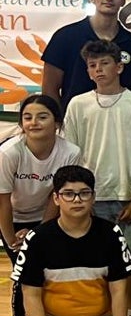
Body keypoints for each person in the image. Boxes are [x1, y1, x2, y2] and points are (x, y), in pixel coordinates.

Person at [62, 40, 131, 316]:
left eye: (104, 63)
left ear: (119, 66)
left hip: (128, 197)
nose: (98, 69)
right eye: (92, 65)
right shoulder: (77, 105)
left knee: (129, 269)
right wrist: (76, 200)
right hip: (88, 200)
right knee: (92, 268)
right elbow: (71, 158)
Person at [12, 165, 131, 316]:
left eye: (84, 193)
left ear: (93, 197)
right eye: (68, 194)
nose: (77, 200)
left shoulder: (111, 234)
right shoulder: (38, 239)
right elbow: (30, 295)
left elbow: (120, 291)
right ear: (57, 199)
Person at [40, 0, 131, 108]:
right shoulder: (64, 37)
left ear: (122, 2)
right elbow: (49, 90)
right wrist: (61, 122)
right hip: (75, 124)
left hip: (121, 122)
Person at [0, 95, 81, 265]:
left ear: (57, 123)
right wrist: (12, 243)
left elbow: (56, 196)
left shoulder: (70, 152)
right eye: (27, 118)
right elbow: (3, 201)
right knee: (24, 271)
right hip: (11, 217)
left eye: (42, 117)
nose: (34, 122)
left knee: (48, 269)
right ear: (21, 124)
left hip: (46, 216)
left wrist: (38, 233)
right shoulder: (9, 153)